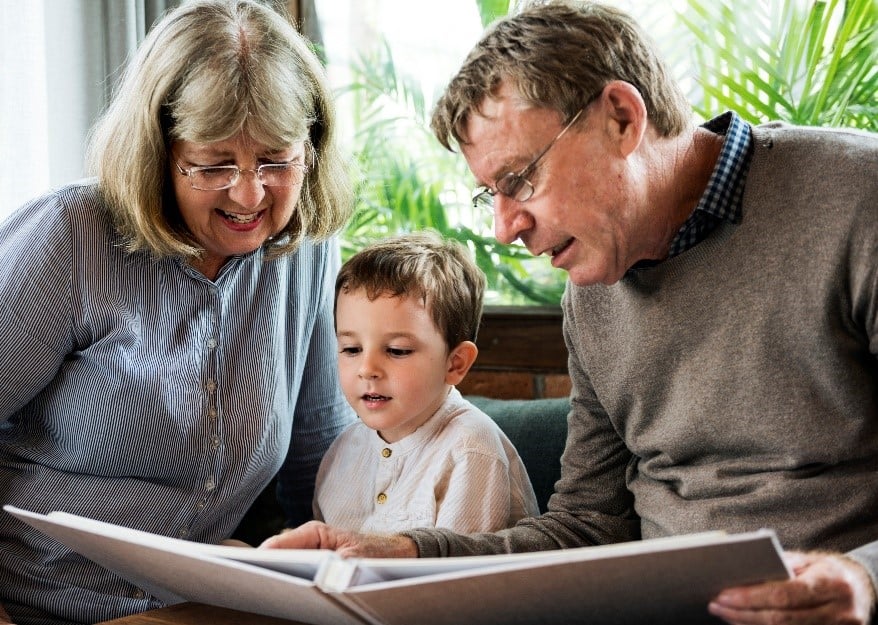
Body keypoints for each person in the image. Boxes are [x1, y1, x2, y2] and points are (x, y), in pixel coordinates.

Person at [260, 2, 878, 624]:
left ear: (621, 118)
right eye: (490, 194)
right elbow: (588, 525)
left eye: (520, 179)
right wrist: (403, 554)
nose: (504, 229)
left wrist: (864, 577)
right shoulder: (592, 291)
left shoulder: (858, 199)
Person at [0, 1, 356, 624]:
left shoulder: (304, 252)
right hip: (34, 603)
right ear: (158, 153)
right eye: (215, 164)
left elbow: (317, 456)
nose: (249, 194)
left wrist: (344, 584)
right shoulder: (72, 238)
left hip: (196, 605)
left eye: (276, 160)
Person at [315, 231, 539, 533]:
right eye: (352, 349)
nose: (367, 369)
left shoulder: (471, 450)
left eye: (397, 351)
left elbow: (457, 576)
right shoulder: (343, 449)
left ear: (455, 363)